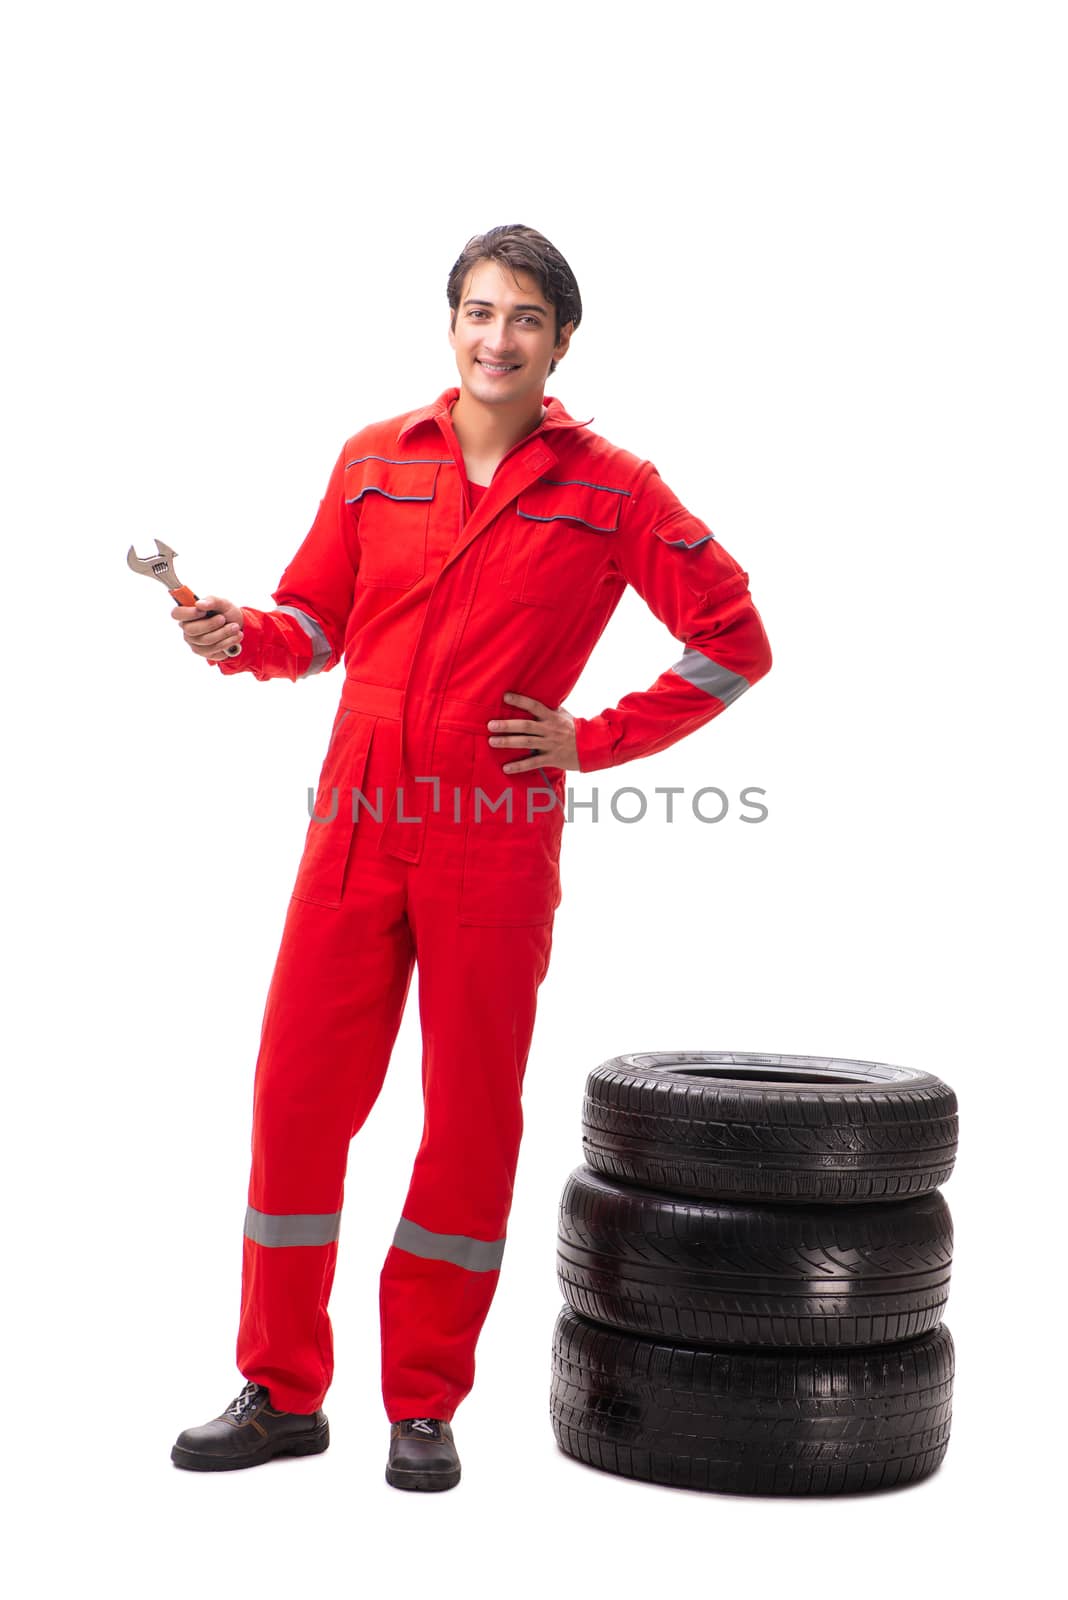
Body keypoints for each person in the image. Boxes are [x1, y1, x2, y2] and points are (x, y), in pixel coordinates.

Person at [168, 223, 772, 1490]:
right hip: (353, 827)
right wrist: (242, 636)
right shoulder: (375, 456)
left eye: (526, 320)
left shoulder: (614, 488)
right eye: (478, 312)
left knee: (468, 1118)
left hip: (492, 840)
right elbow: (317, 620)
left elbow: (733, 636)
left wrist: (594, 739)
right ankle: (282, 1389)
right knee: (294, 1102)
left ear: (562, 343)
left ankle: (423, 1401)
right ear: (451, 322)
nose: (497, 339)